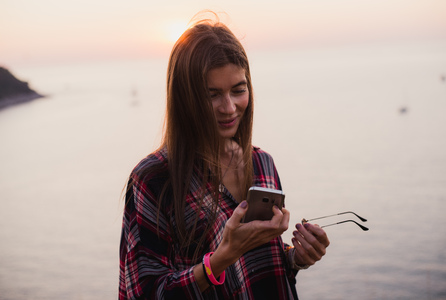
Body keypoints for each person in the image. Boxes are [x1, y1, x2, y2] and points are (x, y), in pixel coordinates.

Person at [119, 15, 330, 300]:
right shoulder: (154, 178)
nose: (229, 107)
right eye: (212, 94)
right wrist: (219, 260)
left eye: (238, 90)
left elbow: (257, 268)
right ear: (185, 97)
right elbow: (143, 293)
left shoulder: (262, 163)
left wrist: (296, 259)